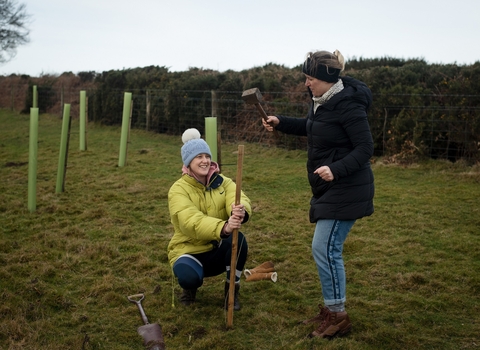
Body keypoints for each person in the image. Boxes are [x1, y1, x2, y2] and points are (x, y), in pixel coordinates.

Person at [262, 49, 374, 339]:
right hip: (330, 187)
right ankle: (330, 310)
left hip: (347, 187)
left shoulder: (348, 105)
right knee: (324, 249)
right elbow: (312, 127)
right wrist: (280, 121)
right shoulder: (322, 101)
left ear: (325, 78)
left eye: (310, 78)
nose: (306, 84)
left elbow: (365, 148)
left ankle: (338, 316)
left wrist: (336, 169)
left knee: (325, 248)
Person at [167, 128, 251, 310]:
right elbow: (190, 221)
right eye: (199, 157)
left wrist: (239, 209)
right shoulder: (178, 190)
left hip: (216, 249)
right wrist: (224, 228)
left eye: (207, 156)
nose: (205, 161)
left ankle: (231, 291)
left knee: (240, 241)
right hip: (189, 249)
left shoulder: (224, 182)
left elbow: (239, 197)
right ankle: (189, 289)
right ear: (188, 162)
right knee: (188, 275)